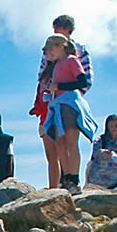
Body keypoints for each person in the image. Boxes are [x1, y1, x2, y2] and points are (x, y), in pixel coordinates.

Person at [39, 33, 95, 193]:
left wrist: (60, 86)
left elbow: (82, 82)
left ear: (59, 47)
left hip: (70, 103)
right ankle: (66, 178)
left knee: (71, 141)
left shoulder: (72, 60)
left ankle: (73, 178)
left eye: (50, 50)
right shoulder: (56, 65)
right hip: (58, 105)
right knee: (60, 142)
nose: (48, 54)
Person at [86, 115, 117, 189]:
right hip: (98, 180)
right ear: (107, 127)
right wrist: (103, 153)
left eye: (116, 126)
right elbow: (95, 152)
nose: (114, 128)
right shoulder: (101, 140)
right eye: (111, 126)